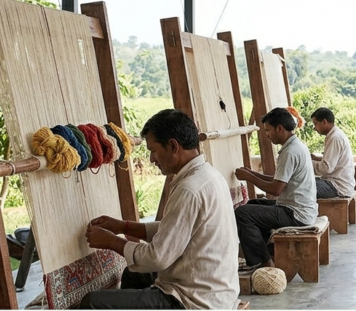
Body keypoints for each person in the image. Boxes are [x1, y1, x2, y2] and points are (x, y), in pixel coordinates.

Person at [81, 109, 240, 309]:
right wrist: (124, 226)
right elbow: (175, 229)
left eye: (153, 151)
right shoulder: (210, 176)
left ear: (173, 146)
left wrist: (112, 242)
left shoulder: (189, 189)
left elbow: (158, 257)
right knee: (133, 274)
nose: (151, 159)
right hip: (217, 291)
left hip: (194, 301)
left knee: (92, 302)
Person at [233, 107, 318, 270]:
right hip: (299, 209)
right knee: (253, 204)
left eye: (268, 130)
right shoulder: (296, 146)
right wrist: (251, 173)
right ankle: (269, 254)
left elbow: (276, 189)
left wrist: (249, 178)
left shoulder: (290, 152)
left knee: (242, 213)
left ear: (279, 128)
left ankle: (263, 262)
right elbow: (278, 180)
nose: (267, 135)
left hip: (296, 214)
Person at [309, 107, 355, 199]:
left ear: (324, 122)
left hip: (337, 186)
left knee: (300, 187)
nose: (314, 128)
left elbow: (326, 168)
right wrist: (317, 159)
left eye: (315, 123)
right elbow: (333, 162)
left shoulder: (335, 138)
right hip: (336, 183)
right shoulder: (335, 135)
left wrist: (307, 162)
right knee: (301, 182)